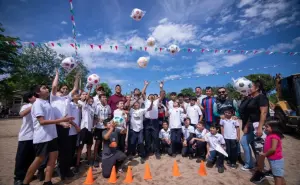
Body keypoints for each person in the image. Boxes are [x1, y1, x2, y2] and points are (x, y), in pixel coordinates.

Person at [22, 84, 74, 185]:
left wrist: (61, 123)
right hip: (42, 137)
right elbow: (42, 122)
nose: (47, 89)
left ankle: (47, 181)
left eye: (47, 88)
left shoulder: (46, 103)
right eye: (44, 88)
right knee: (39, 160)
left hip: (52, 136)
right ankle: (25, 182)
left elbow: (51, 119)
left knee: (53, 158)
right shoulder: (37, 103)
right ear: (38, 92)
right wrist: (62, 119)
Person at [50, 70, 79, 179]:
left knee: (66, 151)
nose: (64, 90)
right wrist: (57, 75)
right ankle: (54, 170)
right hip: (56, 126)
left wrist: (76, 77)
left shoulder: (67, 98)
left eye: (66, 89)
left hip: (66, 127)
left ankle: (64, 171)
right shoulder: (53, 97)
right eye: (63, 89)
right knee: (54, 152)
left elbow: (75, 88)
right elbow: (54, 86)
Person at [241, 80, 269, 171]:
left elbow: (263, 113)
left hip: (259, 125)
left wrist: (260, 128)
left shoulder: (262, 97)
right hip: (251, 125)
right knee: (244, 142)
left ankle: (262, 168)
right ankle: (249, 164)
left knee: (259, 147)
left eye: (251, 86)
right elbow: (250, 114)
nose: (249, 88)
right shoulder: (251, 98)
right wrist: (246, 125)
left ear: (257, 88)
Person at [250, 119, 286, 185]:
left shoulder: (274, 136)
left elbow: (273, 149)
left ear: (274, 128)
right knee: (278, 175)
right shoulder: (269, 135)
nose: (265, 128)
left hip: (276, 160)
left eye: (267, 127)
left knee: (277, 177)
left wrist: (264, 154)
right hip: (272, 159)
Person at [14, 92, 36, 185]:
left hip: (35, 137)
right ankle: (18, 178)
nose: (36, 97)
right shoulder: (26, 106)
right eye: (34, 96)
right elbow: (22, 114)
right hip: (26, 136)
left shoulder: (39, 105)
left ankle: (28, 174)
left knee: (31, 157)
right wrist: (34, 106)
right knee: (21, 158)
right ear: (29, 99)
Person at [74, 87, 95, 173]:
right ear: (80, 96)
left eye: (86, 94)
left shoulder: (91, 108)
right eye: (84, 94)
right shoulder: (80, 103)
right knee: (80, 147)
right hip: (83, 128)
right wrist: (90, 89)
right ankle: (77, 164)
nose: (86, 95)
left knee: (89, 146)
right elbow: (86, 99)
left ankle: (89, 161)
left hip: (90, 129)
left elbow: (93, 118)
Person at [143, 82, 164, 159]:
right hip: (147, 121)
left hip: (155, 121)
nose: (151, 96)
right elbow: (142, 93)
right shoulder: (146, 101)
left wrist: (161, 87)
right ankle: (148, 151)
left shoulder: (156, 101)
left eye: (152, 95)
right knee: (147, 138)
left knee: (156, 138)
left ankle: (157, 152)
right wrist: (145, 85)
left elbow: (162, 95)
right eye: (150, 95)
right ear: (148, 97)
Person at [94, 94, 111, 167]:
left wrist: (107, 121)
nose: (105, 98)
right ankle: (95, 159)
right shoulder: (97, 106)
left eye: (105, 97)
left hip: (105, 128)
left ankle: (104, 158)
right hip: (98, 128)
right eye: (103, 97)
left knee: (105, 143)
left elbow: (110, 115)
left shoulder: (108, 106)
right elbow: (94, 116)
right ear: (100, 99)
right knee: (97, 144)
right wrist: (98, 119)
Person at [66, 93, 81, 171]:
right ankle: (66, 166)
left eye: (78, 95)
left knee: (74, 148)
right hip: (71, 130)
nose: (78, 96)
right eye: (76, 95)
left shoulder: (78, 105)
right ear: (72, 97)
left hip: (76, 131)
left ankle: (71, 163)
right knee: (69, 149)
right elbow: (69, 118)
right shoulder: (70, 104)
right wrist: (76, 126)